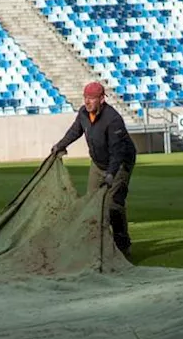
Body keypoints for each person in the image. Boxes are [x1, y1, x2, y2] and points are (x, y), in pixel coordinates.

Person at [52, 82, 138, 260]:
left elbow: (117, 152)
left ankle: (123, 246)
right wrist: (60, 145)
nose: (87, 102)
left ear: (101, 99)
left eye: (91, 98)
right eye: (85, 98)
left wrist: (111, 175)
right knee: (92, 203)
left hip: (120, 163)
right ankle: (96, 245)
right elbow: (75, 131)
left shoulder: (113, 119)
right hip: (98, 162)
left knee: (114, 203)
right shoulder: (84, 113)